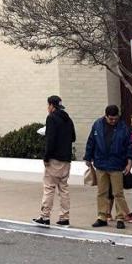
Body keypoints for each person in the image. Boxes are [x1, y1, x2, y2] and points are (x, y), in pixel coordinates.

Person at [83, 104, 132, 229]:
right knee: (102, 192)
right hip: (101, 163)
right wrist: (88, 157)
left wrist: (129, 162)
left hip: (117, 164)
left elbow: (129, 145)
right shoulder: (97, 125)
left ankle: (120, 217)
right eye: (110, 119)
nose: (113, 121)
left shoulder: (123, 127)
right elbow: (91, 141)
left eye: (115, 118)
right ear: (105, 116)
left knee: (118, 193)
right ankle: (102, 216)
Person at [33, 95, 76, 227]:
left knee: (49, 187)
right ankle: (64, 217)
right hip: (66, 159)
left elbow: (50, 140)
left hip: (54, 159)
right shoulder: (68, 119)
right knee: (64, 188)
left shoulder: (51, 118)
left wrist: (46, 157)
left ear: (52, 105)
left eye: (48, 105)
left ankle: (45, 216)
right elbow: (73, 137)